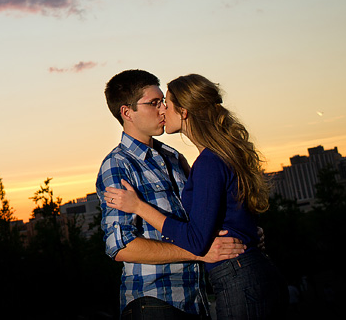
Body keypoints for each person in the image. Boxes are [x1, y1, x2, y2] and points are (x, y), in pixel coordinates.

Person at [105, 74, 286, 319]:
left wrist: (246, 234)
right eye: (154, 103)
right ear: (127, 112)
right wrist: (199, 251)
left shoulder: (175, 158)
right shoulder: (118, 165)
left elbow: (210, 211)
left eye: (164, 102)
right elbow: (121, 247)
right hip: (155, 301)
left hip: (198, 297)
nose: (162, 109)